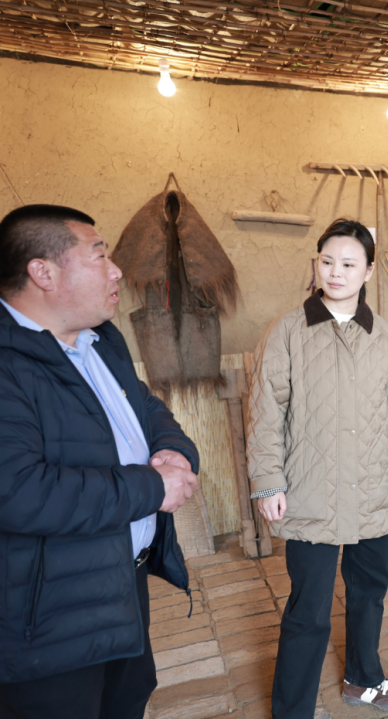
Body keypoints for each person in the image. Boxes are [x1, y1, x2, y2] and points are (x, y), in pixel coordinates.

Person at [0, 204, 200, 719]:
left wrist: (174, 450)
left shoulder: (100, 340)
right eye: (99, 255)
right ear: (43, 272)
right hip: (47, 613)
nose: (116, 271)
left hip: (121, 581)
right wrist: (153, 488)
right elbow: (18, 491)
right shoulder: (7, 363)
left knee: (127, 699)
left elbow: (145, 407)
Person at [247, 218, 388, 718]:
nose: (335, 272)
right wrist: (268, 482)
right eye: (327, 261)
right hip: (310, 492)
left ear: (368, 272)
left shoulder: (383, 337)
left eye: (348, 264)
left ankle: (363, 678)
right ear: (316, 264)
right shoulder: (288, 331)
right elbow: (265, 412)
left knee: (369, 593)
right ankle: (292, 710)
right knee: (308, 609)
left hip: (374, 489)